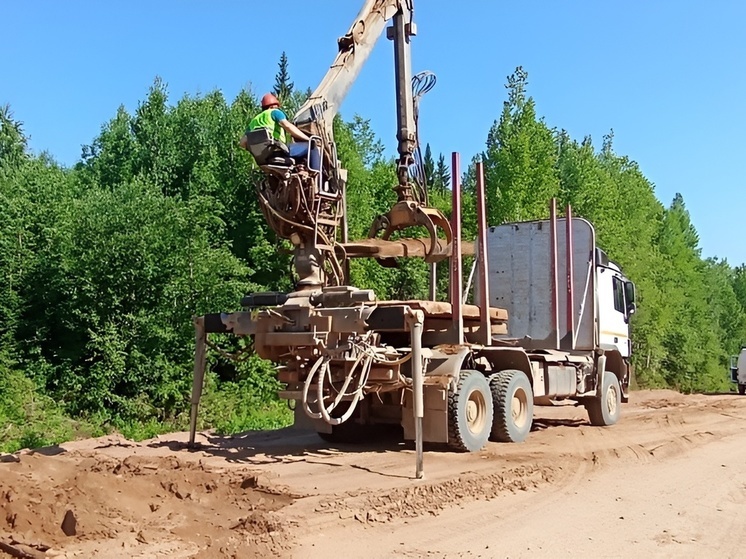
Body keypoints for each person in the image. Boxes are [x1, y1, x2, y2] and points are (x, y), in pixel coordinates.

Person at [241, 93, 320, 171]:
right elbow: (288, 126)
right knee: (312, 146)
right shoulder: (275, 112)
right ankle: (316, 174)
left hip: (263, 158)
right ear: (273, 106)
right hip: (278, 151)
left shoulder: (254, 121)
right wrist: (308, 139)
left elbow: (242, 142)